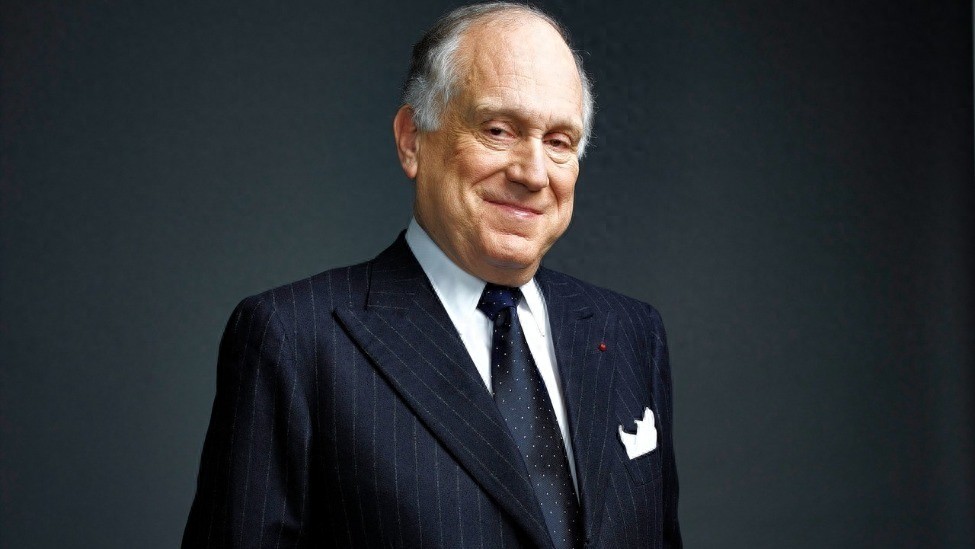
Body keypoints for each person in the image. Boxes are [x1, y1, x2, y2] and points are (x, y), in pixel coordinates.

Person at [182, 3, 680, 547]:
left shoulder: (631, 334)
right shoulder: (294, 340)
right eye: (499, 130)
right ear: (412, 139)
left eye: (559, 142)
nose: (534, 173)